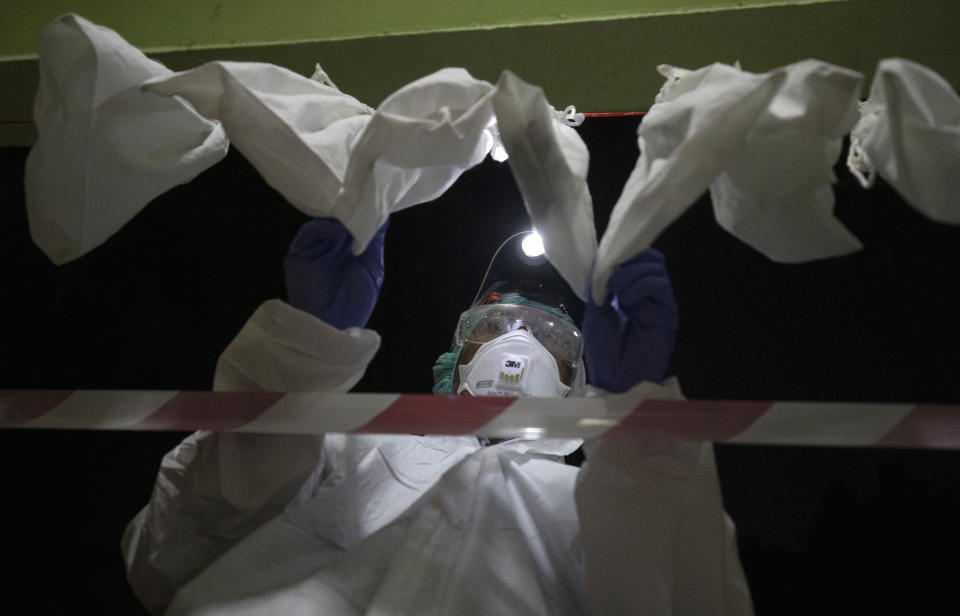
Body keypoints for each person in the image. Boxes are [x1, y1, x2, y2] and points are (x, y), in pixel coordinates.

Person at [122, 218, 752, 615]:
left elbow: (683, 589)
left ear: (577, 381)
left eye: (551, 340)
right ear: (452, 365)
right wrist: (303, 349)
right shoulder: (352, 454)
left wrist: (637, 424)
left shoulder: (596, 503)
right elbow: (179, 547)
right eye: (494, 330)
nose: (518, 346)